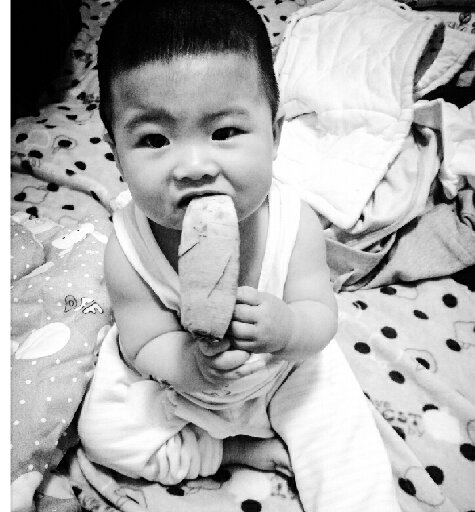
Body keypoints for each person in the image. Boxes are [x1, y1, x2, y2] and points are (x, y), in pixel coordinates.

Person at [78, 1, 400, 510]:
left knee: (340, 425)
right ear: (116, 152)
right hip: (182, 385)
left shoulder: (293, 222)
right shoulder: (127, 247)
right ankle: (232, 450)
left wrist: (289, 329)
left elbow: (319, 314)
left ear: (275, 133)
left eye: (224, 132)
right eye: (155, 139)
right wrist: (187, 365)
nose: (194, 166)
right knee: (103, 435)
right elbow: (142, 341)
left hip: (281, 368)